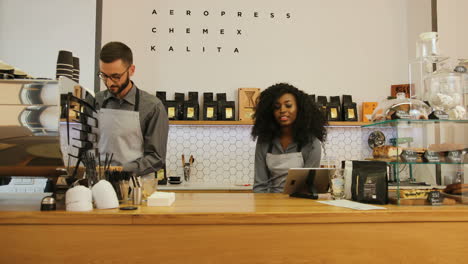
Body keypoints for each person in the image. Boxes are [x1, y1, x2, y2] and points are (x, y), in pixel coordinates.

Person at [95, 41, 168, 176]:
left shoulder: (152, 107)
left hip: (137, 188)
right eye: (104, 76)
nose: (109, 83)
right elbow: (86, 147)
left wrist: (120, 171)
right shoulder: (94, 101)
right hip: (100, 184)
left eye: (116, 76)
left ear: (131, 70)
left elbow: (156, 158)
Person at [251, 83, 327, 193]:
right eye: (277, 107)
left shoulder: (311, 143)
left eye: (288, 105)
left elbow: (308, 186)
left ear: (299, 109)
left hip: (299, 203)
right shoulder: (264, 141)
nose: (282, 110)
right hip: (269, 204)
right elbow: (260, 186)